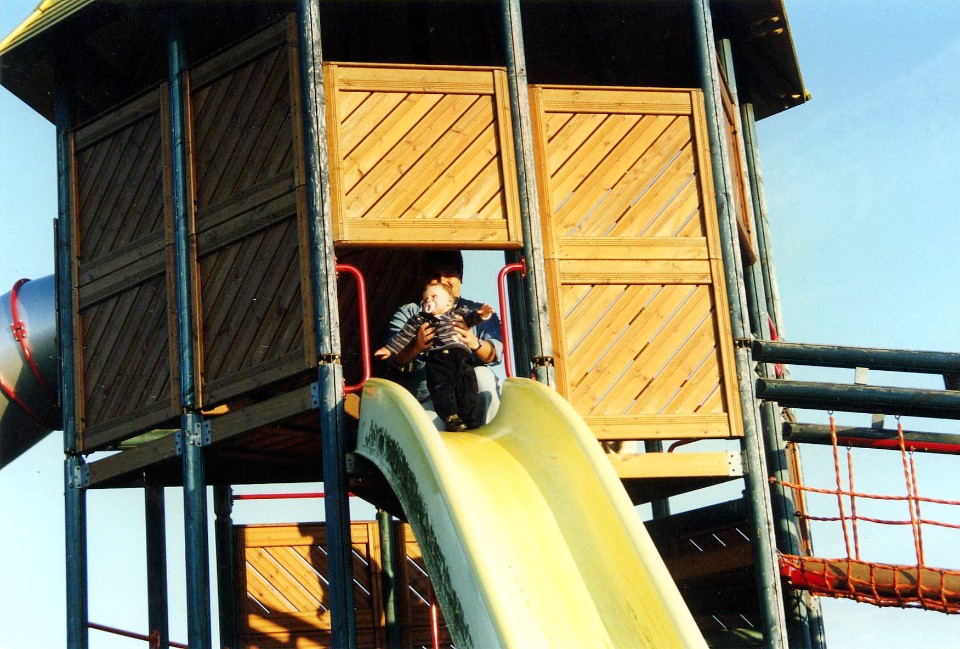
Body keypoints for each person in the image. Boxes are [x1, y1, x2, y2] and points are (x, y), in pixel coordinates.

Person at [382, 250, 503, 430]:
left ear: (460, 278)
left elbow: (494, 353)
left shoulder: (476, 311)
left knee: (484, 376)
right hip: (431, 399)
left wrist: (474, 342)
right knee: (427, 431)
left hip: (468, 393)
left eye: (450, 274)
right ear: (424, 280)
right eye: (435, 276)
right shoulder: (410, 314)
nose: (442, 281)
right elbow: (394, 357)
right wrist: (416, 347)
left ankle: (488, 433)